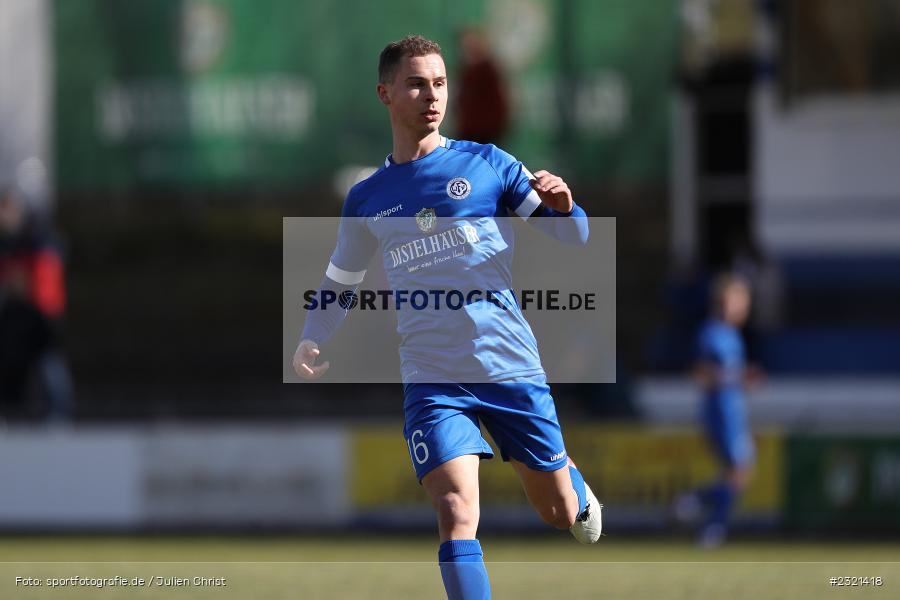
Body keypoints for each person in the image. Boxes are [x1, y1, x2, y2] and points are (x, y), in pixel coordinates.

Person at [293, 35, 601, 599]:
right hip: (434, 378)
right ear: (385, 93)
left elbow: (574, 236)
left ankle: (575, 488)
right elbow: (342, 279)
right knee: (456, 509)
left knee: (558, 512)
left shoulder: (488, 163)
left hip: (509, 365)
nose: (431, 95)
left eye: (439, 83)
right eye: (415, 83)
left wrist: (565, 207)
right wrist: (313, 333)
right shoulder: (367, 198)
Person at [675, 273, 762, 548]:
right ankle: (701, 512)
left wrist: (739, 380)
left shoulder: (733, 336)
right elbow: (701, 373)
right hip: (720, 413)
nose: (743, 308)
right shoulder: (711, 332)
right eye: (739, 301)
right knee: (740, 470)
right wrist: (736, 378)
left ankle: (706, 519)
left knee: (738, 473)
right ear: (724, 301)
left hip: (733, 412)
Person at [0, 184, 73, 421]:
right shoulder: (9, 244)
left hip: (41, 318)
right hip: (15, 321)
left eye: (6, 209)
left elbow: (41, 285)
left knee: (48, 364)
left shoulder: (40, 240)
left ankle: (58, 417)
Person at [455, 27, 509, 145]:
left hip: (485, 130)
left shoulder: (488, 70)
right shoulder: (466, 70)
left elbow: (498, 102)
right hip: (470, 129)